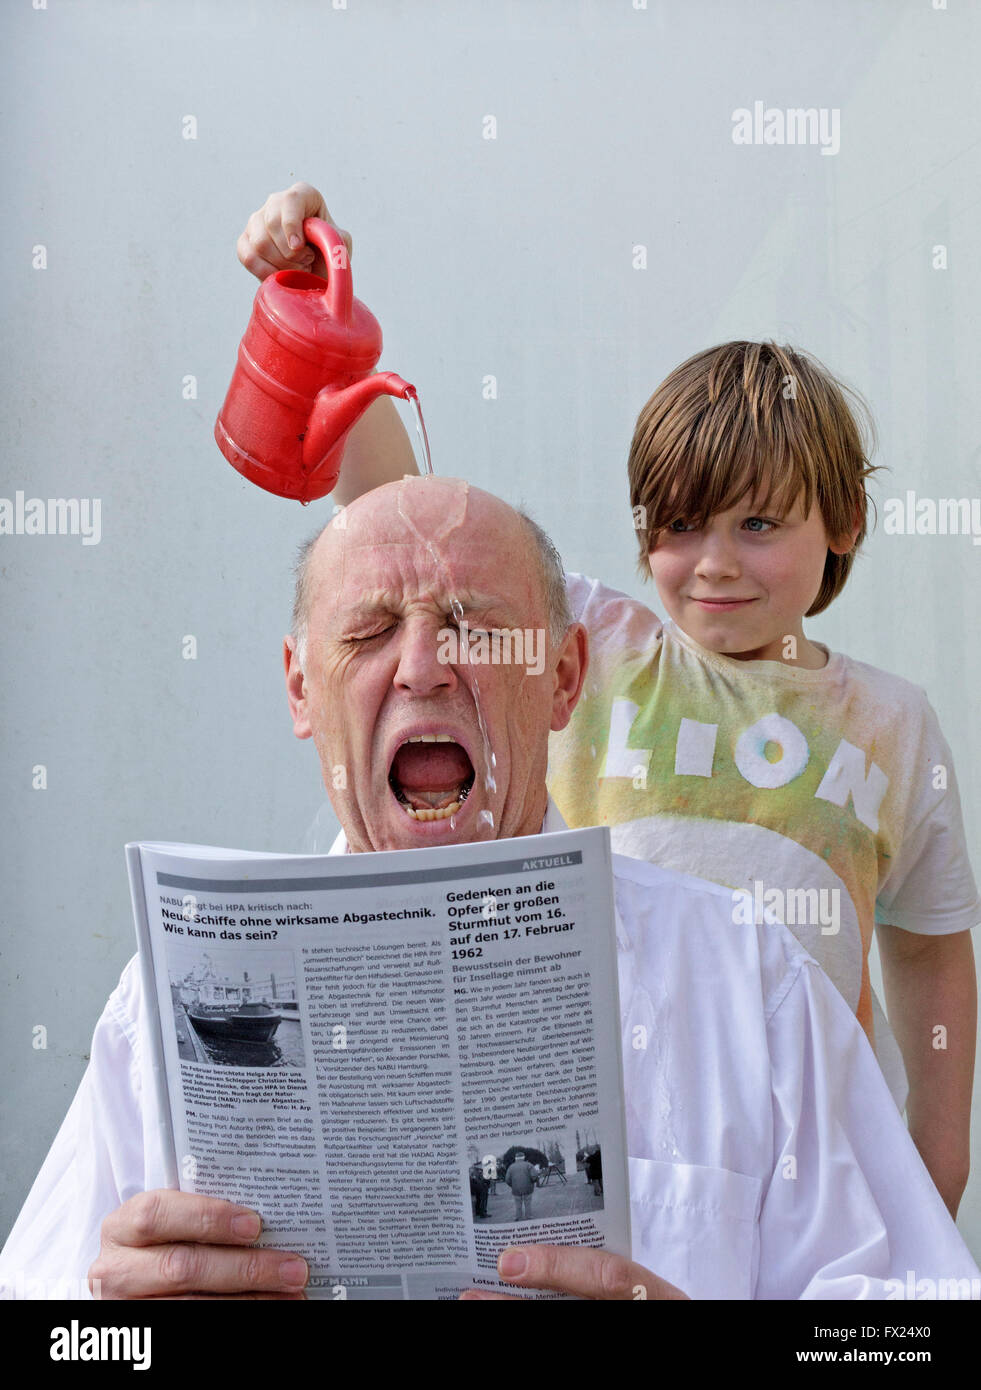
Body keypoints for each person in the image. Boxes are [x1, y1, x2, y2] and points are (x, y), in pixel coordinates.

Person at [2, 475, 978, 1301]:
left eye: (475, 626)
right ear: (301, 689)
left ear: (563, 678)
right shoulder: (170, 1000)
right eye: (373, 629)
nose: (424, 667)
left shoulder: (748, 979)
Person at [245, 182, 979, 1219]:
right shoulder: (600, 646)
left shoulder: (894, 723)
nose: (713, 564)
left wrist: (934, 1161)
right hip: (607, 1152)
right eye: (678, 526)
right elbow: (395, 519)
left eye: (759, 525)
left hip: (807, 1181)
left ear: (845, 520)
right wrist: (329, 335)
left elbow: (931, 946)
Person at [504, 1154, 538, 1222]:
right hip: (528, 1188)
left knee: (517, 1203)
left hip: (516, 1189)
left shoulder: (511, 1167)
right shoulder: (529, 1165)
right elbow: (534, 1176)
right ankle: (528, 1216)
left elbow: (507, 1179)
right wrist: (532, 1182)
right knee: (527, 1203)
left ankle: (518, 1217)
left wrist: (512, 1185)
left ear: (515, 1158)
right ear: (523, 1157)